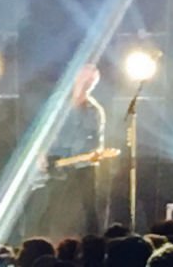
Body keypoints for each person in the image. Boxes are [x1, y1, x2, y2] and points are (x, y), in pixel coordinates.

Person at [28, 63, 106, 239]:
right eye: (86, 77)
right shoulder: (57, 103)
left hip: (83, 164)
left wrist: (96, 154)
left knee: (90, 206)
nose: (88, 82)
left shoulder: (95, 111)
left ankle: (94, 244)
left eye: (92, 80)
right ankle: (40, 242)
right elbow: (41, 130)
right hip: (56, 159)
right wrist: (40, 153)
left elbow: (97, 140)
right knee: (50, 204)